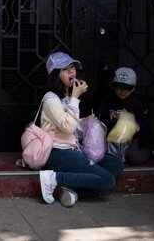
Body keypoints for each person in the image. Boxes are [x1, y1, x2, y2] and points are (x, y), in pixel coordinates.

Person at [38, 52, 125, 208]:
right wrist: (76, 98)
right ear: (55, 75)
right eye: (65, 69)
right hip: (57, 152)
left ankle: (74, 192)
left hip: (74, 149)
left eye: (72, 67)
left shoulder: (66, 97)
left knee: (116, 166)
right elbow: (67, 126)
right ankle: (55, 178)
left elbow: (73, 128)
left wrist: (86, 122)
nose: (72, 72)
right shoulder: (51, 99)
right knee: (108, 180)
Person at [99, 67, 154, 164]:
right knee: (102, 156)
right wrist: (110, 114)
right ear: (113, 86)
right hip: (109, 135)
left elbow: (143, 122)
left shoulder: (135, 102)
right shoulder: (108, 99)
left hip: (130, 137)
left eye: (126, 88)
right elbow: (100, 115)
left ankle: (151, 151)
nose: (121, 91)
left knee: (135, 158)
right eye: (118, 87)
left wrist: (136, 126)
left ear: (133, 88)